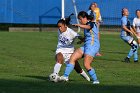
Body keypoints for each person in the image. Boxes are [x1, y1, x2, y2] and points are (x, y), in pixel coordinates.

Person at [60, 11, 100, 84]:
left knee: (86, 64)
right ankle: (65, 76)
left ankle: (96, 80)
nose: (80, 21)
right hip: (87, 45)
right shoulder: (85, 25)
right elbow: (90, 35)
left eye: (80, 19)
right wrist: (81, 41)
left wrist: (79, 25)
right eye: (79, 19)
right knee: (72, 58)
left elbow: (89, 27)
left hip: (92, 46)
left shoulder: (91, 23)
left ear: (85, 18)